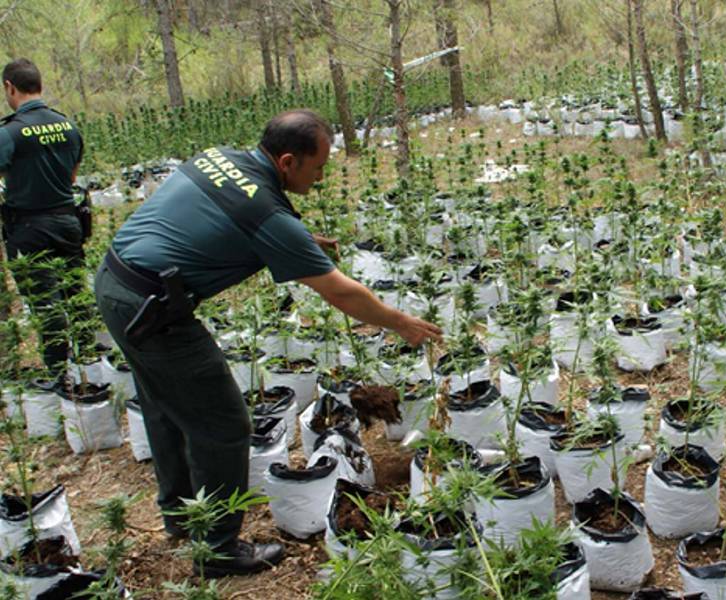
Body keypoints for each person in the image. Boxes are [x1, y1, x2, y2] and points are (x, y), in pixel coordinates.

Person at [94, 109, 442, 577]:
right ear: (287, 162)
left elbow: (218, 218)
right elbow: (340, 293)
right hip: (153, 312)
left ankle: (180, 514)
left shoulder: (217, 158)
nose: (321, 178)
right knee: (223, 424)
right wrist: (400, 322)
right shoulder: (269, 216)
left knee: (164, 405)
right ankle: (218, 549)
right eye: (317, 167)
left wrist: (298, 241)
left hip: (117, 283)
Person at [0, 58, 86, 380]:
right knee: (77, 296)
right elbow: (73, 177)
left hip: (29, 228)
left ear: (10, 87)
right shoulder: (68, 126)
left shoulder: (9, 133)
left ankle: (59, 376)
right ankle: (89, 366)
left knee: (45, 303)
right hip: (69, 223)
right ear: (40, 85)